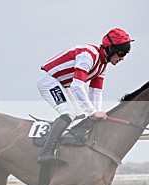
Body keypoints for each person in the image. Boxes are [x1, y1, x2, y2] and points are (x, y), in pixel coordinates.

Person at [36, 28, 134, 164]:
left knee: (80, 116)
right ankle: (46, 153)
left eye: (125, 55)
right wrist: (92, 112)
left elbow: (95, 92)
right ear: (111, 48)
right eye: (121, 53)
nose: (122, 58)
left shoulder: (102, 66)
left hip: (62, 85)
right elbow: (77, 86)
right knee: (68, 113)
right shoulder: (88, 56)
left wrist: (96, 113)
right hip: (49, 80)